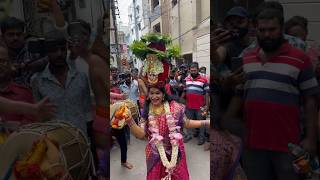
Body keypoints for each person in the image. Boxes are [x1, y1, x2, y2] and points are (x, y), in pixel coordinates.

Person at [225, 9, 319, 180]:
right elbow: (239, 94)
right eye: (262, 30)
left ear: (281, 28)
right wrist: (226, 122)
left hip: (288, 145)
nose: (267, 34)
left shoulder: (300, 58)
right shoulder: (247, 58)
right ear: (256, 29)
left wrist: (311, 139)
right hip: (253, 144)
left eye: (272, 29)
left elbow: (310, 101)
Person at [126, 33, 210, 179]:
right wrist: (130, 121)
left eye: (157, 93)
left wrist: (207, 122)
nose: (154, 96)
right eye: (151, 93)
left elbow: (187, 123)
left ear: (164, 93)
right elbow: (141, 135)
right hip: (154, 156)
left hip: (176, 155)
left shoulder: (175, 107)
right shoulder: (146, 111)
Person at [31, 30, 92, 135]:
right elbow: (39, 115)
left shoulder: (80, 77)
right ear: (47, 52)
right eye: (54, 50)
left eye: (62, 49)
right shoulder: (37, 80)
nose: (59, 54)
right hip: (55, 142)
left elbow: (88, 113)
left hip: (81, 140)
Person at [182, 62, 210, 145]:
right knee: (189, 122)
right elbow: (184, 91)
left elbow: (207, 94)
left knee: (201, 123)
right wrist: (181, 101)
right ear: (189, 70)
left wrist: (207, 106)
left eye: (194, 70)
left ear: (198, 70)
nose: (193, 72)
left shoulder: (204, 80)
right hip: (189, 106)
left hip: (200, 107)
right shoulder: (186, 80)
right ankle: (189, 135)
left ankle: (201, 138)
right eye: (191, 70)